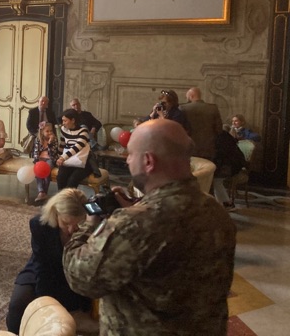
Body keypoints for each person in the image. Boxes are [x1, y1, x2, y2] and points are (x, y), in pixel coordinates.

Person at [63, 119, 236, 335]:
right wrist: (138, 206)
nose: (127, 160)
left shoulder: (135, 224)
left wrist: (90, 225)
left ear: (148, 161)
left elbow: (80, 278)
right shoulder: (216, 211)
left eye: (130, 154)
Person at [6, 188, 95, 335]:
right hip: (44, 268)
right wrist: (44, 303)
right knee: (18, 304)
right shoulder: (39, 224)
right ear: (55, 213)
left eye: (77, 225)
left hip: (74, 274)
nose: (71, 230)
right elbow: (42, 266)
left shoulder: (91, 227)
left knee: (71, 310)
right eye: (65, 223)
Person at [180, 87, 222, 159]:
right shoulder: (213, 108)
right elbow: (219, 129)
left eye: (187, 97)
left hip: (190, 147)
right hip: (208, 147)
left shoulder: (183, 108)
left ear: (191, 96)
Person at [56, 109, 91, 190]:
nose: (63, 123)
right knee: (60, 178)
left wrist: (63, 158)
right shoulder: (64, 129)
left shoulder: (83, 131)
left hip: (83, 161)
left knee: (72, 181)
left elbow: (77, 147)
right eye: (62, 120)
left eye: (65, 121)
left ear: (73, 120)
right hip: (69, 160)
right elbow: (62, 144)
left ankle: (69, 197)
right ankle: (61, 197)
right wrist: (58, 157)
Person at [31, 122, 60, 203]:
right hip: (40, 158)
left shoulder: (54, 139)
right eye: (47, 131)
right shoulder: (38, 139)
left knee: (46, 171)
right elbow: (36, 151)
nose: (50, 133)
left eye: (51, 131)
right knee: (38, 172)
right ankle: (41, 191)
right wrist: (36, 161)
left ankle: (44, 192)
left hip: (50, 158)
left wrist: (50, 143)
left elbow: (53, 153)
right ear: (42, 132)